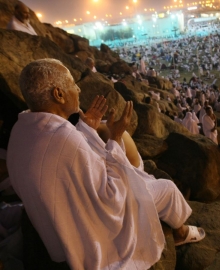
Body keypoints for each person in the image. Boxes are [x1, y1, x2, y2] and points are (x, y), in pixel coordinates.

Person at [7, 59, 205, 269]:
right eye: (72, 84)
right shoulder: (64, 138)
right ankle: (181, 233)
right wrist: (116, 137)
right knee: (166, 188)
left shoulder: (21, 130)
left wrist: (87, 127)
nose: (78, 89)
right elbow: (112, 194)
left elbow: (68, 159)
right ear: (59, 94)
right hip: (88, 228)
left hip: (53, 227)